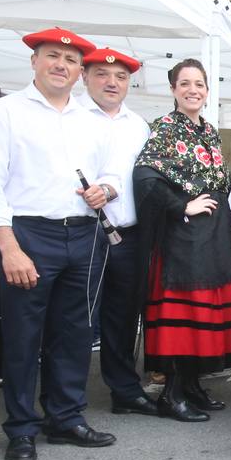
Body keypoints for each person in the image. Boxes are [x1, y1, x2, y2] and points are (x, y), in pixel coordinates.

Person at [0, 27, 119, 460]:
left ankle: (66, 418)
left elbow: (111, 172)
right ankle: (20, 428)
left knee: (74, 335)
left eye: (71, 60)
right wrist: (9, 248)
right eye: (53, 56)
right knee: (23, 336)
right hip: (29, 233)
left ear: (80, 70)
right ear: (34, 61)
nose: (62, 65)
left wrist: (105, 190)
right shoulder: (2, 113)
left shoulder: (91, 118)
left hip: (83, 233)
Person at [133, 58, 231, 423]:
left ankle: (193, 385)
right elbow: (146, 176)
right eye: (185, 84)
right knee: (185, 310)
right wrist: (183, 205)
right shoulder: (164, 128)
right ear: (173, 89)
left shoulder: (209, 131)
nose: (193, 90)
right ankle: (172, 392)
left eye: (199, 84)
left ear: (207, 90)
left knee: (206, 310)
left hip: (213, 235)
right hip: (184, 236)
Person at [81, 48, 155, 417]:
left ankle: (124, 390)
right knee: (76, 316)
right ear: (84, 77)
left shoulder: (138, 125)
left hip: (127, 233)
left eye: (121, 77)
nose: (112, 83)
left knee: (123, 315)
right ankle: (67, 399)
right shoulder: (72, 117)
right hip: (81, 231)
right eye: (102, 75)